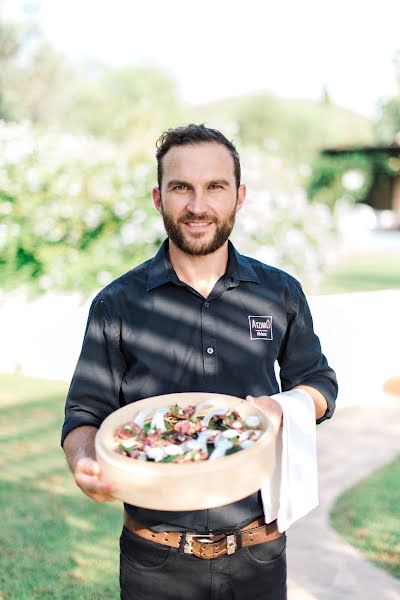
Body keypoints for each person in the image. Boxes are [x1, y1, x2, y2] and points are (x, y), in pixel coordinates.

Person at [61, 124, 338, 600]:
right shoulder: (116, 304)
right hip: (156, 559)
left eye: (215, 187)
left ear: (239, 196)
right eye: (181, 187)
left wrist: (284, 407)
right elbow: (85, 413)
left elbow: (319, 384)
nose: (197, 205)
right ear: (158, 197)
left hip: (259, 552)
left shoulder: (280, 293)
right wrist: (84, 460)